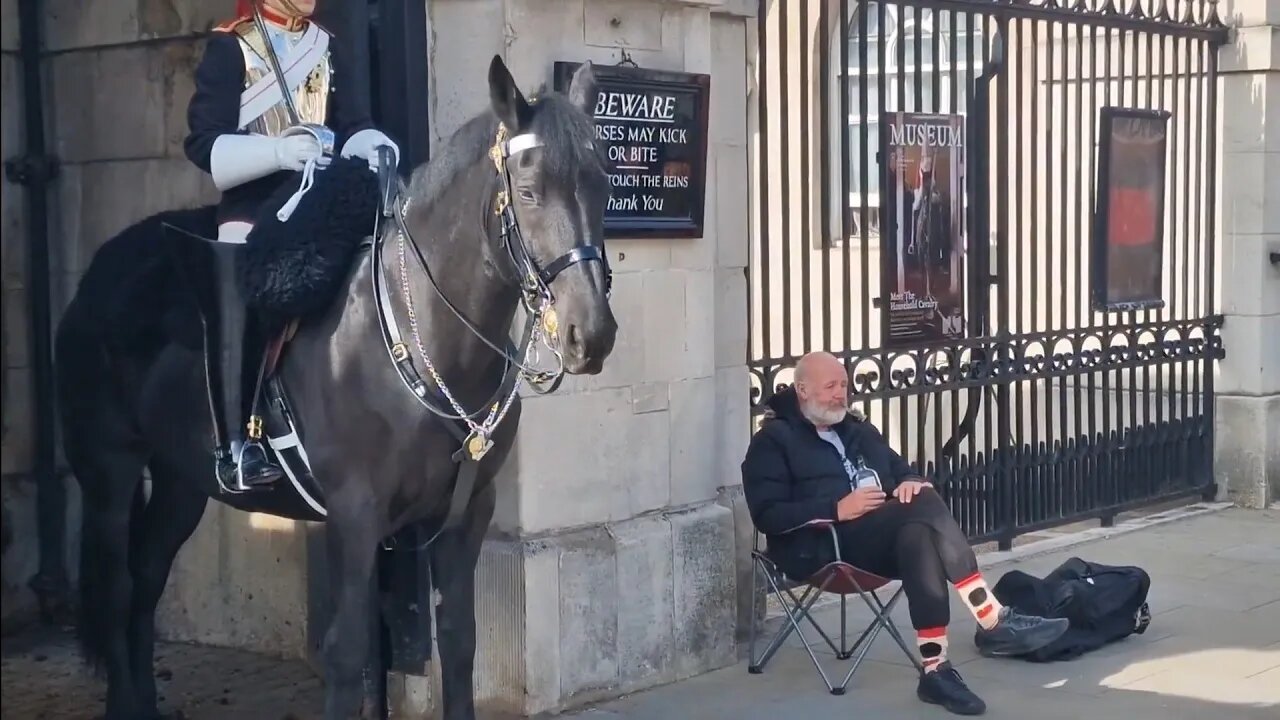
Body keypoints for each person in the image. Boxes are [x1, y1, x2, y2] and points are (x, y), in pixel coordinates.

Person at [741, 351, 1070, 716]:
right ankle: (991, 617)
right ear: (802, 390)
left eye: (844, 385)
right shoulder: (773, 440)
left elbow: (902, 471)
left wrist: (911, 483)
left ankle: (936, 670)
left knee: (919, 526)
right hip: (819, 547)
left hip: (875, 540)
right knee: (921, 512)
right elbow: (767, 515)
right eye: (830, 386)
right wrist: (836, 509)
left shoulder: (858, 428)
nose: (841, 394)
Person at [184, 0, 399, 491]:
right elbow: (204, 144)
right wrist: (277, 150)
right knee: (235, 287)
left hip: (321, 198)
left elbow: (351, 125)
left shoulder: (327, 46)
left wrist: (373, 143)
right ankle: (235, 445)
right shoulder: (231, 44)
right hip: (255, 205)